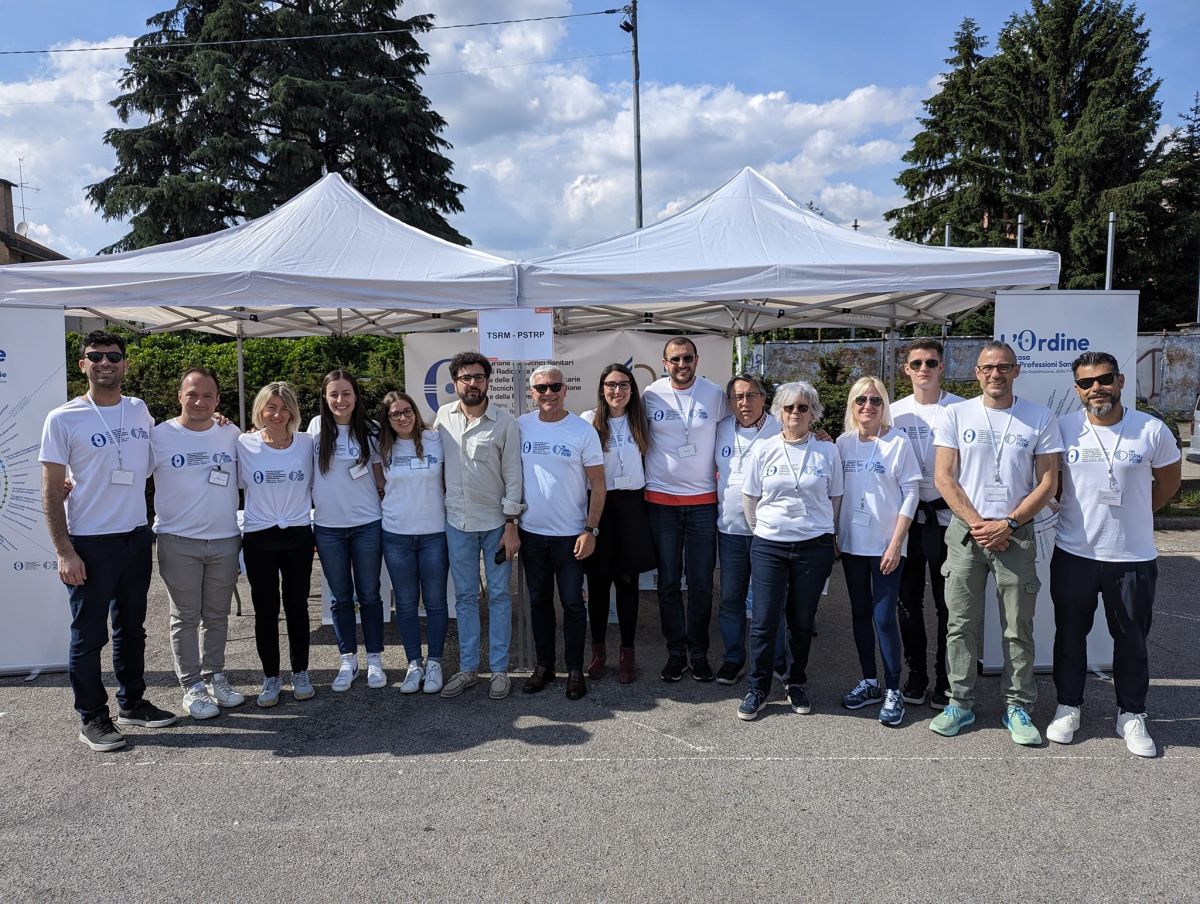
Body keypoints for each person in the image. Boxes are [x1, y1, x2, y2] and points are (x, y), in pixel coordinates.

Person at [39, 330, 177, 752]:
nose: (105, 363)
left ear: (125, 364)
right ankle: (92, 717)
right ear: (82, 364)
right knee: (88, 635)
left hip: (135, 535)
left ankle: (132, 703)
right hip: (90, 542)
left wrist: (218, 422)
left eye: (113, 357)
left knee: (132, 630)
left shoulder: (138, 409)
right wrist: (64, 550)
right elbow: (50, 490)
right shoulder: (62, 418)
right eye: (95, 356)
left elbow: (166, 446)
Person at [1046, 351, 1181, 757]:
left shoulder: (1151, 430)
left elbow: (1169, 482)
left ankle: (1131, 713)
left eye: (1104, 379)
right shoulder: (1064, 429)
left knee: (1132, 639)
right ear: (1077, 390)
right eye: (1086, 383)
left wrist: (1139, 514)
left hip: (1132, 557)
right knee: (1070, 635)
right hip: (1075, 554)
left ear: (1120, 381)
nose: (1096, 388)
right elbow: (1052, 483)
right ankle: (1069, 706)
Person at [932, 341, 1062, 744]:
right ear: (977, 372)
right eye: (988, 368)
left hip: (1016, 534)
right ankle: (960, 703)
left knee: (1017, 625)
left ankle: (1018, 706)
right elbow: (944, 477)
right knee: (960, 624)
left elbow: (1048, 482)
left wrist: (1008, 522)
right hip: (966, 534)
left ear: (1016, 371)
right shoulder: (956, 414)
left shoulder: (1039, 417)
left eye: (1004, 367)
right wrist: (979, 525)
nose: (995, 374)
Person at [737, 381, 842, 721]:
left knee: (801, 620)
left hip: (814, 546)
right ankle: (757, 687)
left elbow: (835, 498)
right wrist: (766, 531)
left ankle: (795, 682)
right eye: (789, 407)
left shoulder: (827, 451)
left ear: (813, 413)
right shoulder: (763, 449)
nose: (795, 412)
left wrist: (822, 531)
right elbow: (750, 499)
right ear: (779, 412)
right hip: (770, 545)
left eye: (803, 407)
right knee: (764, 620)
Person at [150, 367, 245, 720]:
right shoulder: (158, 435)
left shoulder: (230, 433)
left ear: (218, 400)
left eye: (208, 395)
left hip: (224, 538)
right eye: (192, 394)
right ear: (179, 396)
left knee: (217, 615)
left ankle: (215, 675)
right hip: (178, 540)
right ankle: (191, 685)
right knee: (185, 616)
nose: (200, 402)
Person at [434, 352, 523, 700]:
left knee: (499, 596)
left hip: (496, 523)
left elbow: (513, 476)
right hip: (457, 522)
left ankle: (499, 670)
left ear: (488, 381)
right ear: (455, 382)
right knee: (466, 597)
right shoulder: (443, 417)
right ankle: (468, 669)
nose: (473, 383)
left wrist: (511, 523)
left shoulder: (505, 422)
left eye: (479, 377)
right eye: (466, 378)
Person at [836, 377, 922, 727]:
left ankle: (893, 689)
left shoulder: (898, 442)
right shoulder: (842, 443)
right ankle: (869, 682)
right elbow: (835, 491)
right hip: (852, 545)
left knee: (884, 617)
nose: (868, 406)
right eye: (861, 400)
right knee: (859, 614)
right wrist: (834, 533)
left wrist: (897, 543)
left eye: (875, 400)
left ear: (884, 405)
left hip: (887, 546)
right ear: (852, 405)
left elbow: (911, 493)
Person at [642, 336, 728, 682]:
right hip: (661, 502)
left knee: (702, 583)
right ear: (664, 363)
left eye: (687, 358)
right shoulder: (650, 394)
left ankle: (699, 651)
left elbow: (744, 426)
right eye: (675, 359)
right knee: (667, 583)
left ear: (697, 360)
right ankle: (676, 651)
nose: (682, 365)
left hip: (703, 502)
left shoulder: (715, 394)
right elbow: (624, 427)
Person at [518, 366, 606, 700]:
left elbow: (598, 485)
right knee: (539, 602)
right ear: (532, 393)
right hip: (531, 534)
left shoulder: (582, 431)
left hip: (571, 536)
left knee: (572, 604)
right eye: (541, 388)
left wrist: (590, 529)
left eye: (555, 386)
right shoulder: (521, 426)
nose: (548, 393)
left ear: (565, 390)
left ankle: (574, 669)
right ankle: (544, 666)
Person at [891, 339, 963, 709]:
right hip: (907, 520)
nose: (924, 369)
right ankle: (916, 674)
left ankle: (946, 678)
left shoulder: (961, 410)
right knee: (907, 603)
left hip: (948, 520)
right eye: (916, 363)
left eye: (931, 363)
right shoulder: (893, 412)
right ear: (906, 368)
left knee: (948, 605)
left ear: (941, 367)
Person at [237, 381, 316, 707]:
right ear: (260, 410)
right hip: (260, 536)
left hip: (298, 534)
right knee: (265, 610)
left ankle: (300, 672)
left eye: (284, 408)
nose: (278, 414)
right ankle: (271, 676)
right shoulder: (243, 443)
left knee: (297, 606)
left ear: (293, 412)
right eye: (271, 407)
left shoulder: (307, 443)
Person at [308, 369, 387, 692]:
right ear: (325, 398)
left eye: (346, 393)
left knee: (369, 594)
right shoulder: (315, 428)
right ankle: (348, 659)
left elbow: (380, 477)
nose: (340, 400)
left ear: (356, 396)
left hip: (367, 524)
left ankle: (375, 659)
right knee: (340, 597)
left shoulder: (372, 430)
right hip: (329, 528)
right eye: (334, 394)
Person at [581, 363, 656, 683]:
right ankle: (598, 652)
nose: (617, 391)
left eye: (624, 385)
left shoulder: (641, 419)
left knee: (627, 583)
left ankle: (627, 654)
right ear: (602, 389)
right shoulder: (589, 421)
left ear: (632, 389)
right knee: (598, 583)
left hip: (633, 508)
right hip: (600, 506)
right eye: (611, 385)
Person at [379, 391, 449, 696]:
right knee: (406, 604)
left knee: (435, 602)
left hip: (434, 533)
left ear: (415, 412)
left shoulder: (435, 439)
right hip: (396, 534)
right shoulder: (381, 446)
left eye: (407, 411)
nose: (403, 417)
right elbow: (378, 484)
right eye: (395, 414)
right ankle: (414, 663)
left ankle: (434, 663)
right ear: (387, 419)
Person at [714, 374, 781, 686]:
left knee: (771, 601)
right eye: (737, 397)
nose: (744, 402)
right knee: (731, 599)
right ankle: (733, 659)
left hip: (769, 533)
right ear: (729, 402)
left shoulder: (780, 428)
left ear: (763, 398)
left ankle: (776, 661)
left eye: (751, 395)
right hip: (730, 531)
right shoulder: (720, 429)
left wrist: (821, 436)